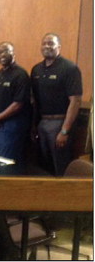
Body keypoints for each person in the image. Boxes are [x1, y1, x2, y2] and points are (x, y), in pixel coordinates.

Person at [31, 33, 82, 176]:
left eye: (51, 43)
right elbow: (35, 100)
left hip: (60, 124)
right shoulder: (36, 70)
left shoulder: (70, 68)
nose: (47, 46)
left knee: (60, 167)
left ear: (59, 47)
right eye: (44, 43)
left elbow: (75, 100)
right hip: (42, 123)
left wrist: (65, 131)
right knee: (42, 168)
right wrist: (34, 126)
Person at [0, 42, 31, 163]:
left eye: (6, 51)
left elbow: (18, 104)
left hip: (12, 125)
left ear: (13, 53)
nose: (2, 55)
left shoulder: (20, 74)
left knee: (6, 161)